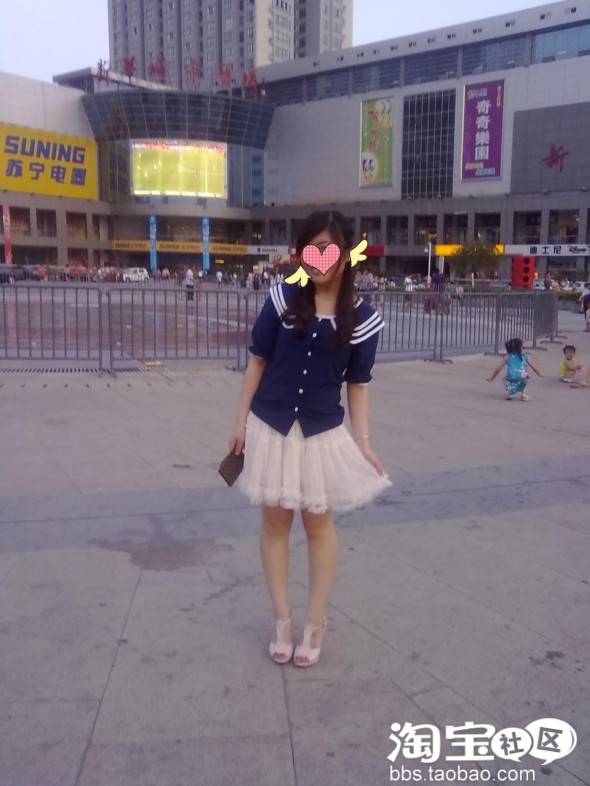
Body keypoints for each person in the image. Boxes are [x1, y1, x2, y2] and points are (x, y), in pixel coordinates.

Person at [228, 211, 391, 668]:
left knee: (319, 528)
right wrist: (239, 422)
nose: (319, 259)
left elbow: (358, 383)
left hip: (321, 434)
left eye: (328, 250)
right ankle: (282, 620)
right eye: (310, 250)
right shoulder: (282, 297)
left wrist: (362, 441)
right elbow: (257, 361)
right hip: (271, 428)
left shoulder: (363, 318)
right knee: (275, 525)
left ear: (346, 255)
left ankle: (315, 622)